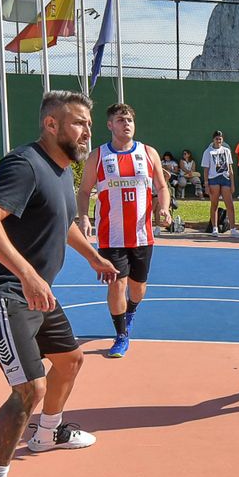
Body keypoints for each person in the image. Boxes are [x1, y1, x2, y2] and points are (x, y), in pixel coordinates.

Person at [0, 90, 120, 477]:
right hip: (0, 292)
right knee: (29, 388)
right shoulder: (25, 164)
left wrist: (93, 257)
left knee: (70, 360)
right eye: (77, 123)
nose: (87, 131)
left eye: (88, 124)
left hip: (35, 292)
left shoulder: (61, 171)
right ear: (51, 125)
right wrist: (28, 274)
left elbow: (63, 221)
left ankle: (48, 433)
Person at [77, 103, 172, 359]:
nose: (126, 124)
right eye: (120, 120)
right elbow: (84, 191)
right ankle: (121, 335)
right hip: (111, 236)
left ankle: (130, 310)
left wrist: (164, 209)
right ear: (110, 125)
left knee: (138, 287)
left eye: (129, 119)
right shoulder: (98, 157)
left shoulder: (148, 153)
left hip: (142, 235)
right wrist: (84, 216)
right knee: (117, 285)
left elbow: (162, 187)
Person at [201, 131, 239, 236]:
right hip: (213, 179)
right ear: (213, 139)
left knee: (230, 205)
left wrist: (232, 183)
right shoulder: (208, 152)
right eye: (217, 139)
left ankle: (233, 229)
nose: (218, 141)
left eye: (220, 139)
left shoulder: (226, 151)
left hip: (225, 179)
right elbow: (206, 169)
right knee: (214, 204)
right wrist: (206, 185)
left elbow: (230, 168)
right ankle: (214, 228)